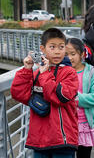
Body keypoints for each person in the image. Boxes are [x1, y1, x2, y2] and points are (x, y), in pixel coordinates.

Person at [11, 28, 79, 158]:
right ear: (43, 49)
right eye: (52, 47)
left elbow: (61, 97)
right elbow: (20, 95)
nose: (57, 51)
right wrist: (26, 70)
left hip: (62, 140)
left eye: (61, 47)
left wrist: (45, 74)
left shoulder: (69, 73)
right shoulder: (38, 74)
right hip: (40, 140)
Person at [66, 38, 94, 158]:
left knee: (84, 155)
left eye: (73, 54)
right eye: (66, 54)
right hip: (65, 124)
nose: (69, 58)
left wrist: (74, 98)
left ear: (82, 54)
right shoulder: (61, 72)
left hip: (84, 125)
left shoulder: (93, 73)